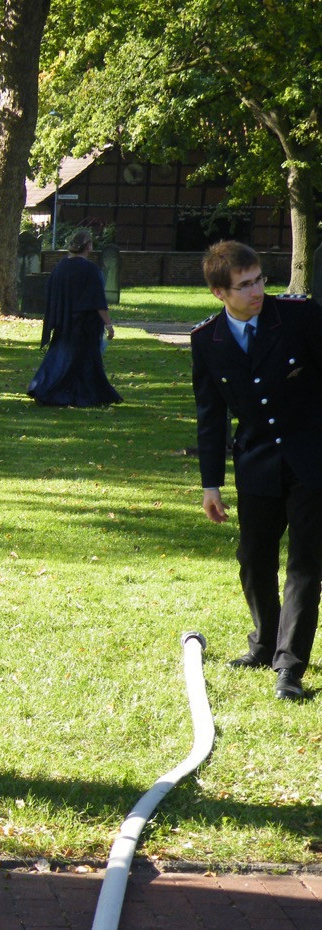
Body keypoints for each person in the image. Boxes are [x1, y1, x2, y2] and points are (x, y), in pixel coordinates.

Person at [190, 241, 322, 701]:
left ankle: (290, 667)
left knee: (305, 564)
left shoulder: (300, 319)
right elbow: (211, 417)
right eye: (244, 285)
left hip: (310, 459)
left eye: (259, 279)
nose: (256, 291)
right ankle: (265, 644)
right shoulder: (206, 340)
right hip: (256, 464)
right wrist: (211, 484)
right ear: (219, 293)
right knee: (253, 560)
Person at [27, 228, 121, 407]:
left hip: (64, 321)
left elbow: (52, 295)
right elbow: (98, 301)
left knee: (61, 358)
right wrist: (109, 325)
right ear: (88, 247)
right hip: (86, 324)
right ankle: (75, 394)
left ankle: (46, 388)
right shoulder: (91, 270)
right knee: (85, 362)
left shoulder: (60, 267)